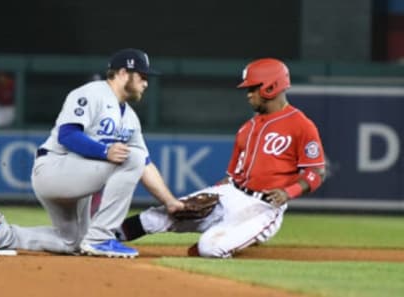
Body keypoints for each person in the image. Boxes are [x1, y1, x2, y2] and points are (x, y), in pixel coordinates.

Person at [0, 48, 184, 258]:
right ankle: (102, 237)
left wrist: (170, 202)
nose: (146, 83)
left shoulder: (131, 118)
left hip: (79, 178)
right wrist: (105, 151)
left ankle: (0, 234)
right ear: (123, 73)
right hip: (55, 169)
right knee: (130, 157)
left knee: (73, 243)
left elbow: (145, 164)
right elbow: (68, 135)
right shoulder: (92, 93)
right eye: (142, 76)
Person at [115, 58, 327, 258]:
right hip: (230, 193)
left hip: (262, 208)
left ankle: (217, 245)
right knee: (161, 216)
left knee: (210, 247)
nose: (248, 94)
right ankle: (103, 237)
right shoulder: (247, 127)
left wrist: (288, 192)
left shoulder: (301, 125)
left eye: (252, 88)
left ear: (270, 87)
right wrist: (211, 194)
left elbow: (316, 172)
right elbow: (231, 176)